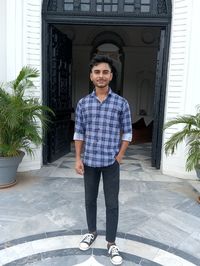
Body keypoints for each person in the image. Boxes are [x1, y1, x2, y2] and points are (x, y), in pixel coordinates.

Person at [74, 55, 132, 265]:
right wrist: (78, 158)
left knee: (111, 203)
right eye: (97, 72)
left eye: (105, 72)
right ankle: (91, 232)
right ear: (91, 76)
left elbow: (127, 132)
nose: (101, 76)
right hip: (89, 161)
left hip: (110, 163)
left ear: (111, 75)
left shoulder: (121, 103)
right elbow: (79, 132)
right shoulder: (83, 103)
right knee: (89, 200)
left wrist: (120, 155)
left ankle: (111, 242)